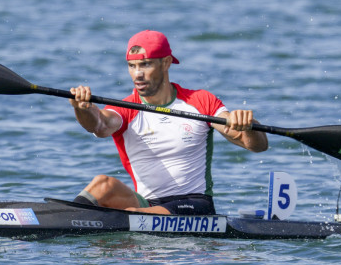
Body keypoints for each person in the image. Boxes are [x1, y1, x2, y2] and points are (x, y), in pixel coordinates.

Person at [69, 30, 268, 215]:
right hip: (147, 204)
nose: (137, 74)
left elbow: (256, 145)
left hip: (195, 204)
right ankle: (66, 219)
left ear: (166, 63)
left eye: (145, 64)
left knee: (136, 216)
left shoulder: (200, 101)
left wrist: (248, 125)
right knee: (103, 184)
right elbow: (99, 125)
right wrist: (83, 108)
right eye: (132, 66)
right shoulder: (126, 108)